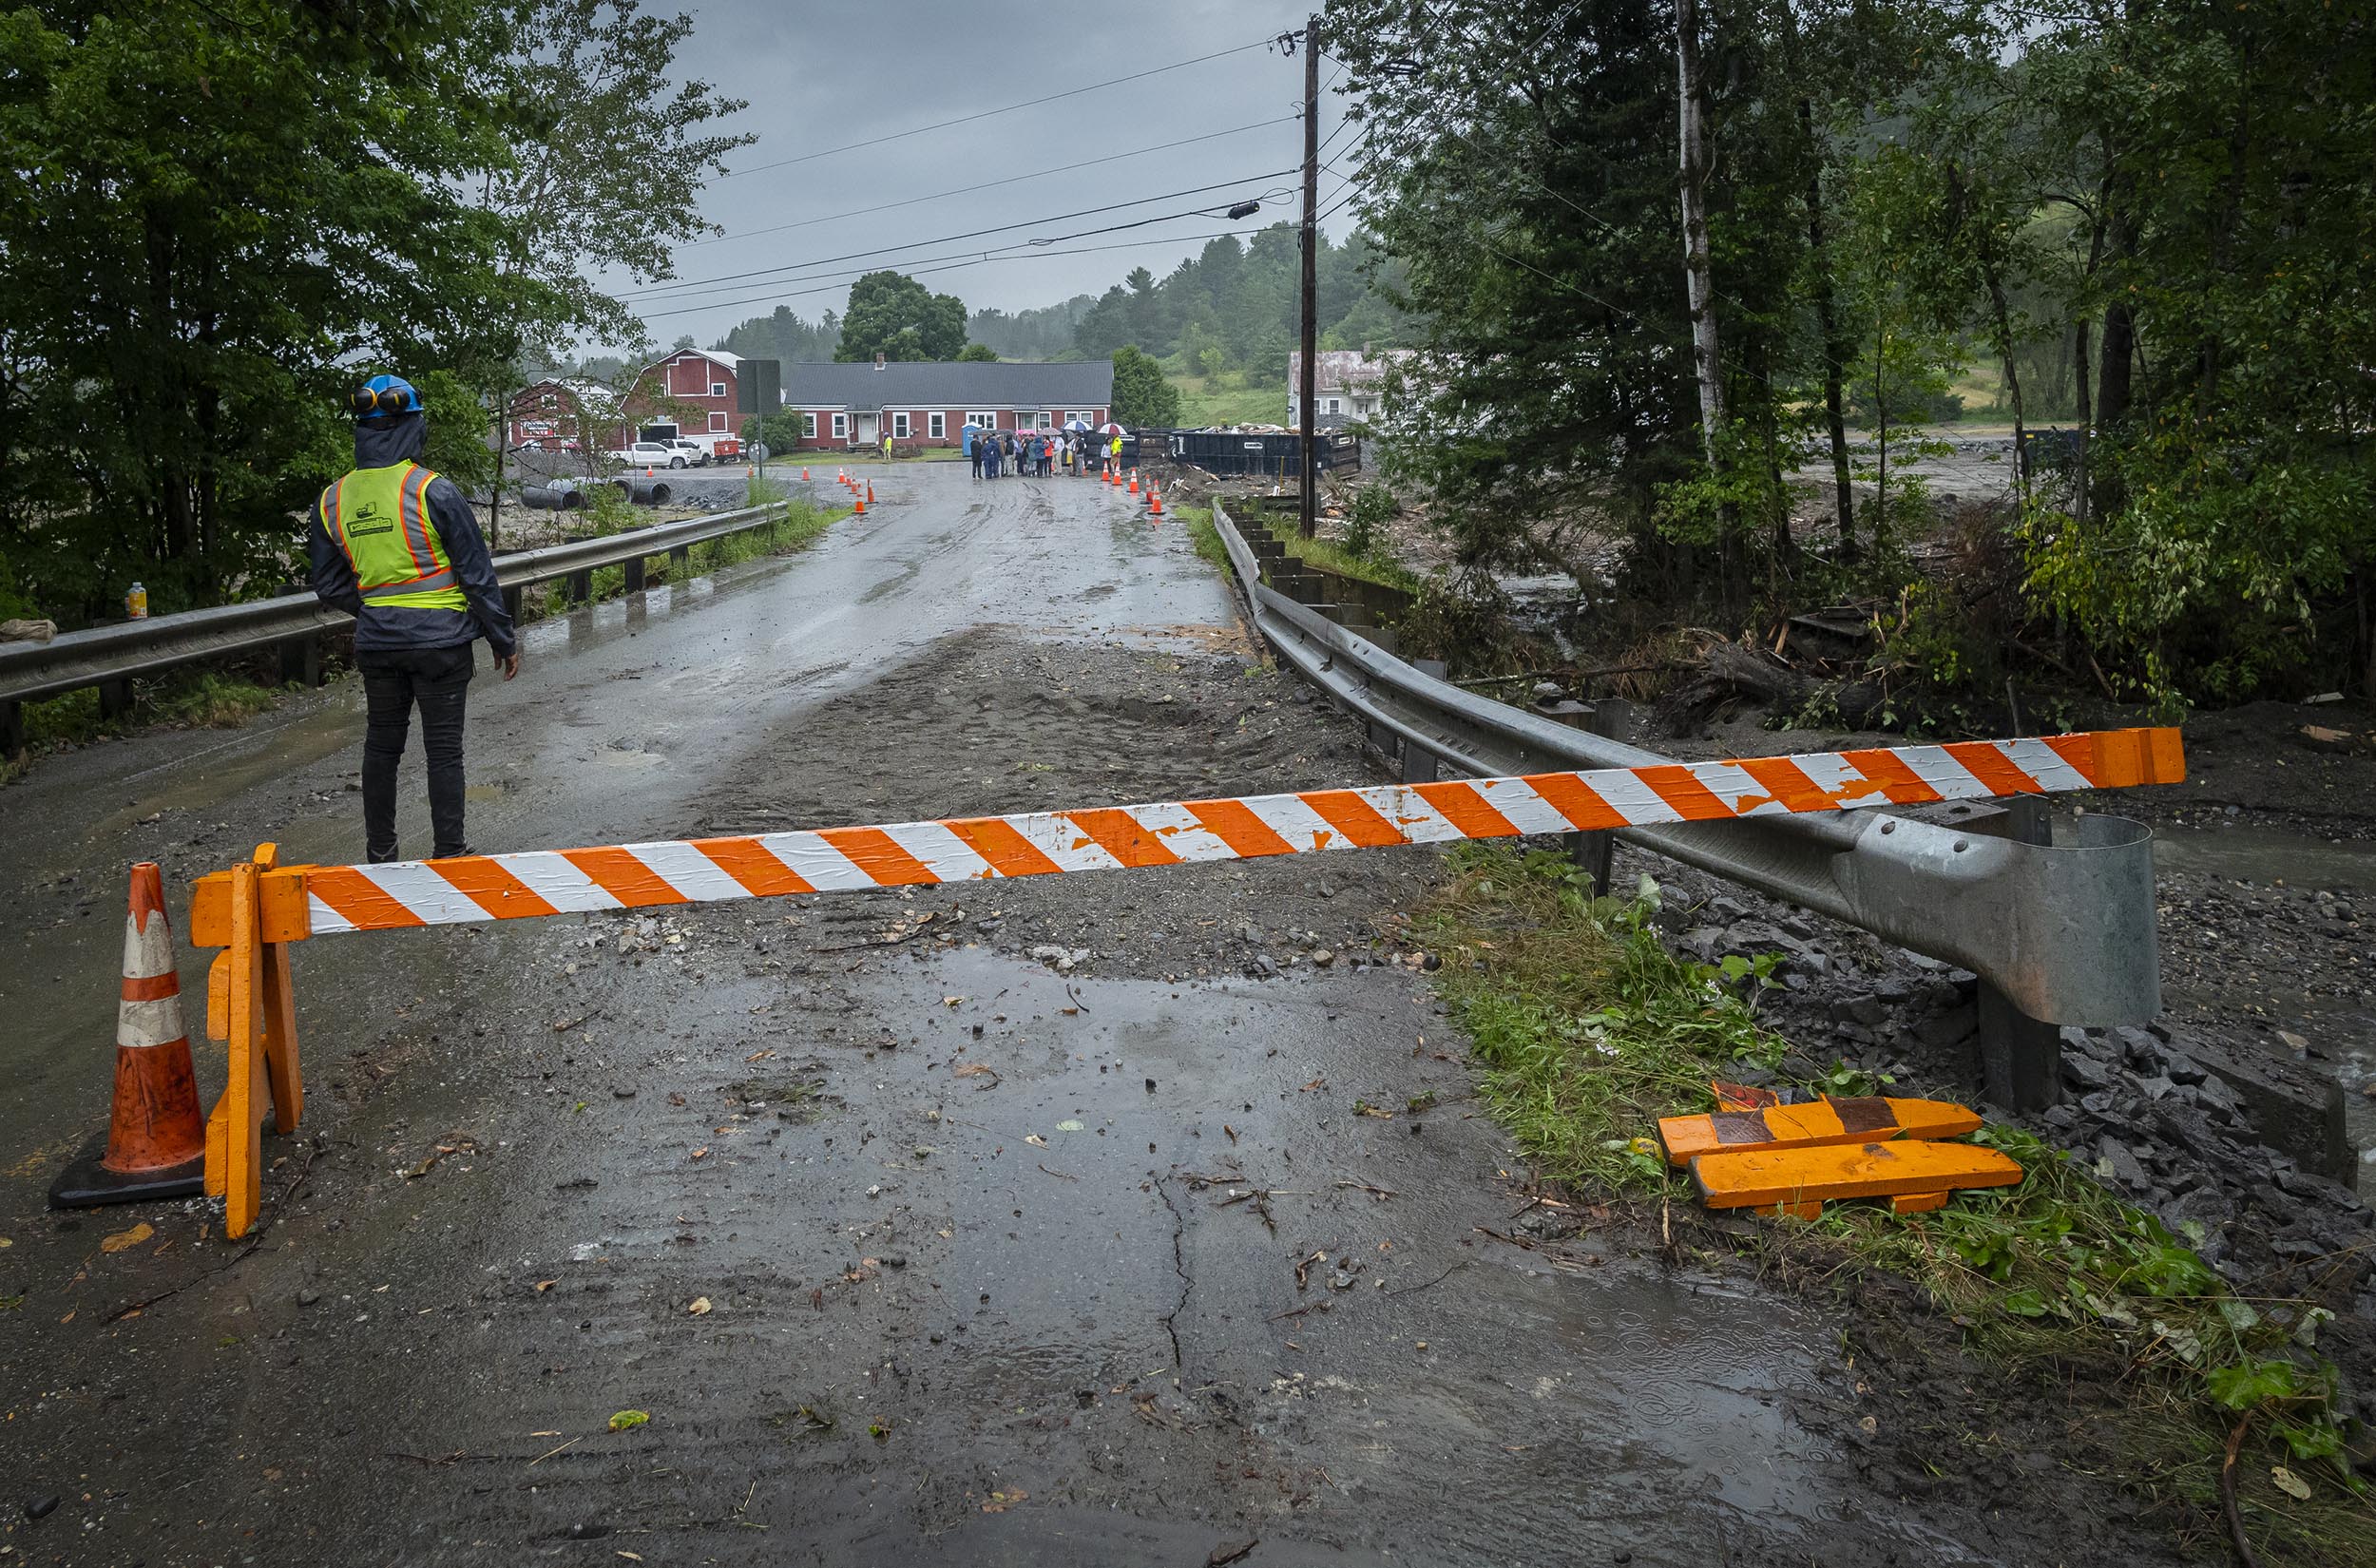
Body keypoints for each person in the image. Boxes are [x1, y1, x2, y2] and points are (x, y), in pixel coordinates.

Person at [309, 373, 518, 863]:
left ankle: (381, 854)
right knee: (443, 751)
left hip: (379, 644)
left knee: (382, 747)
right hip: (441, 645)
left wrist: (378, 609)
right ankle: (450, 851)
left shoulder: (333, 499)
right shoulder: (432, 492)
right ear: (412, 426)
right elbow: (477, 575)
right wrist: (502, 639)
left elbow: (328, 582)